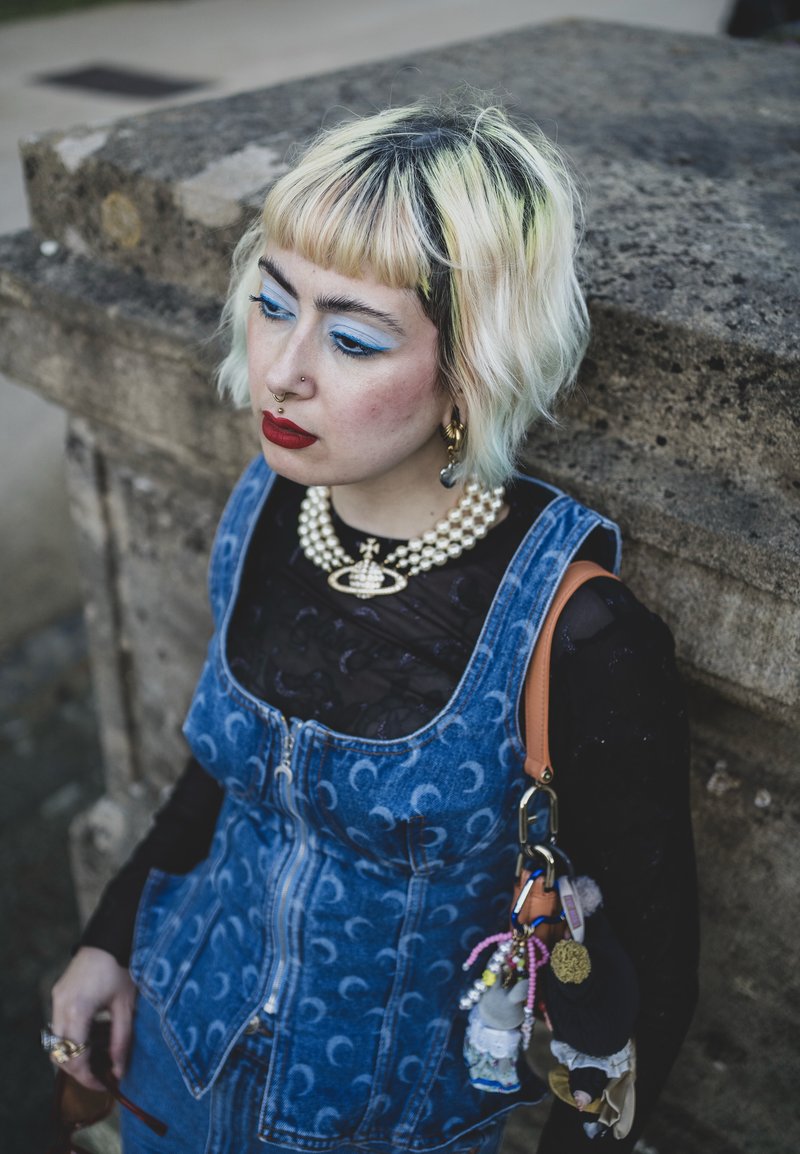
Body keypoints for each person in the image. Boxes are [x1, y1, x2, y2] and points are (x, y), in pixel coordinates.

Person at [47, 98, 698, 1154]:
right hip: (166, 1067)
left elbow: (649, 984)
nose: (282, 368)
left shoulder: (578, 633)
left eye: (351, 338)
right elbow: (222, 771)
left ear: (470, 369)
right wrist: (108, 938)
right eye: (272, 303)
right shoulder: (268, 503)